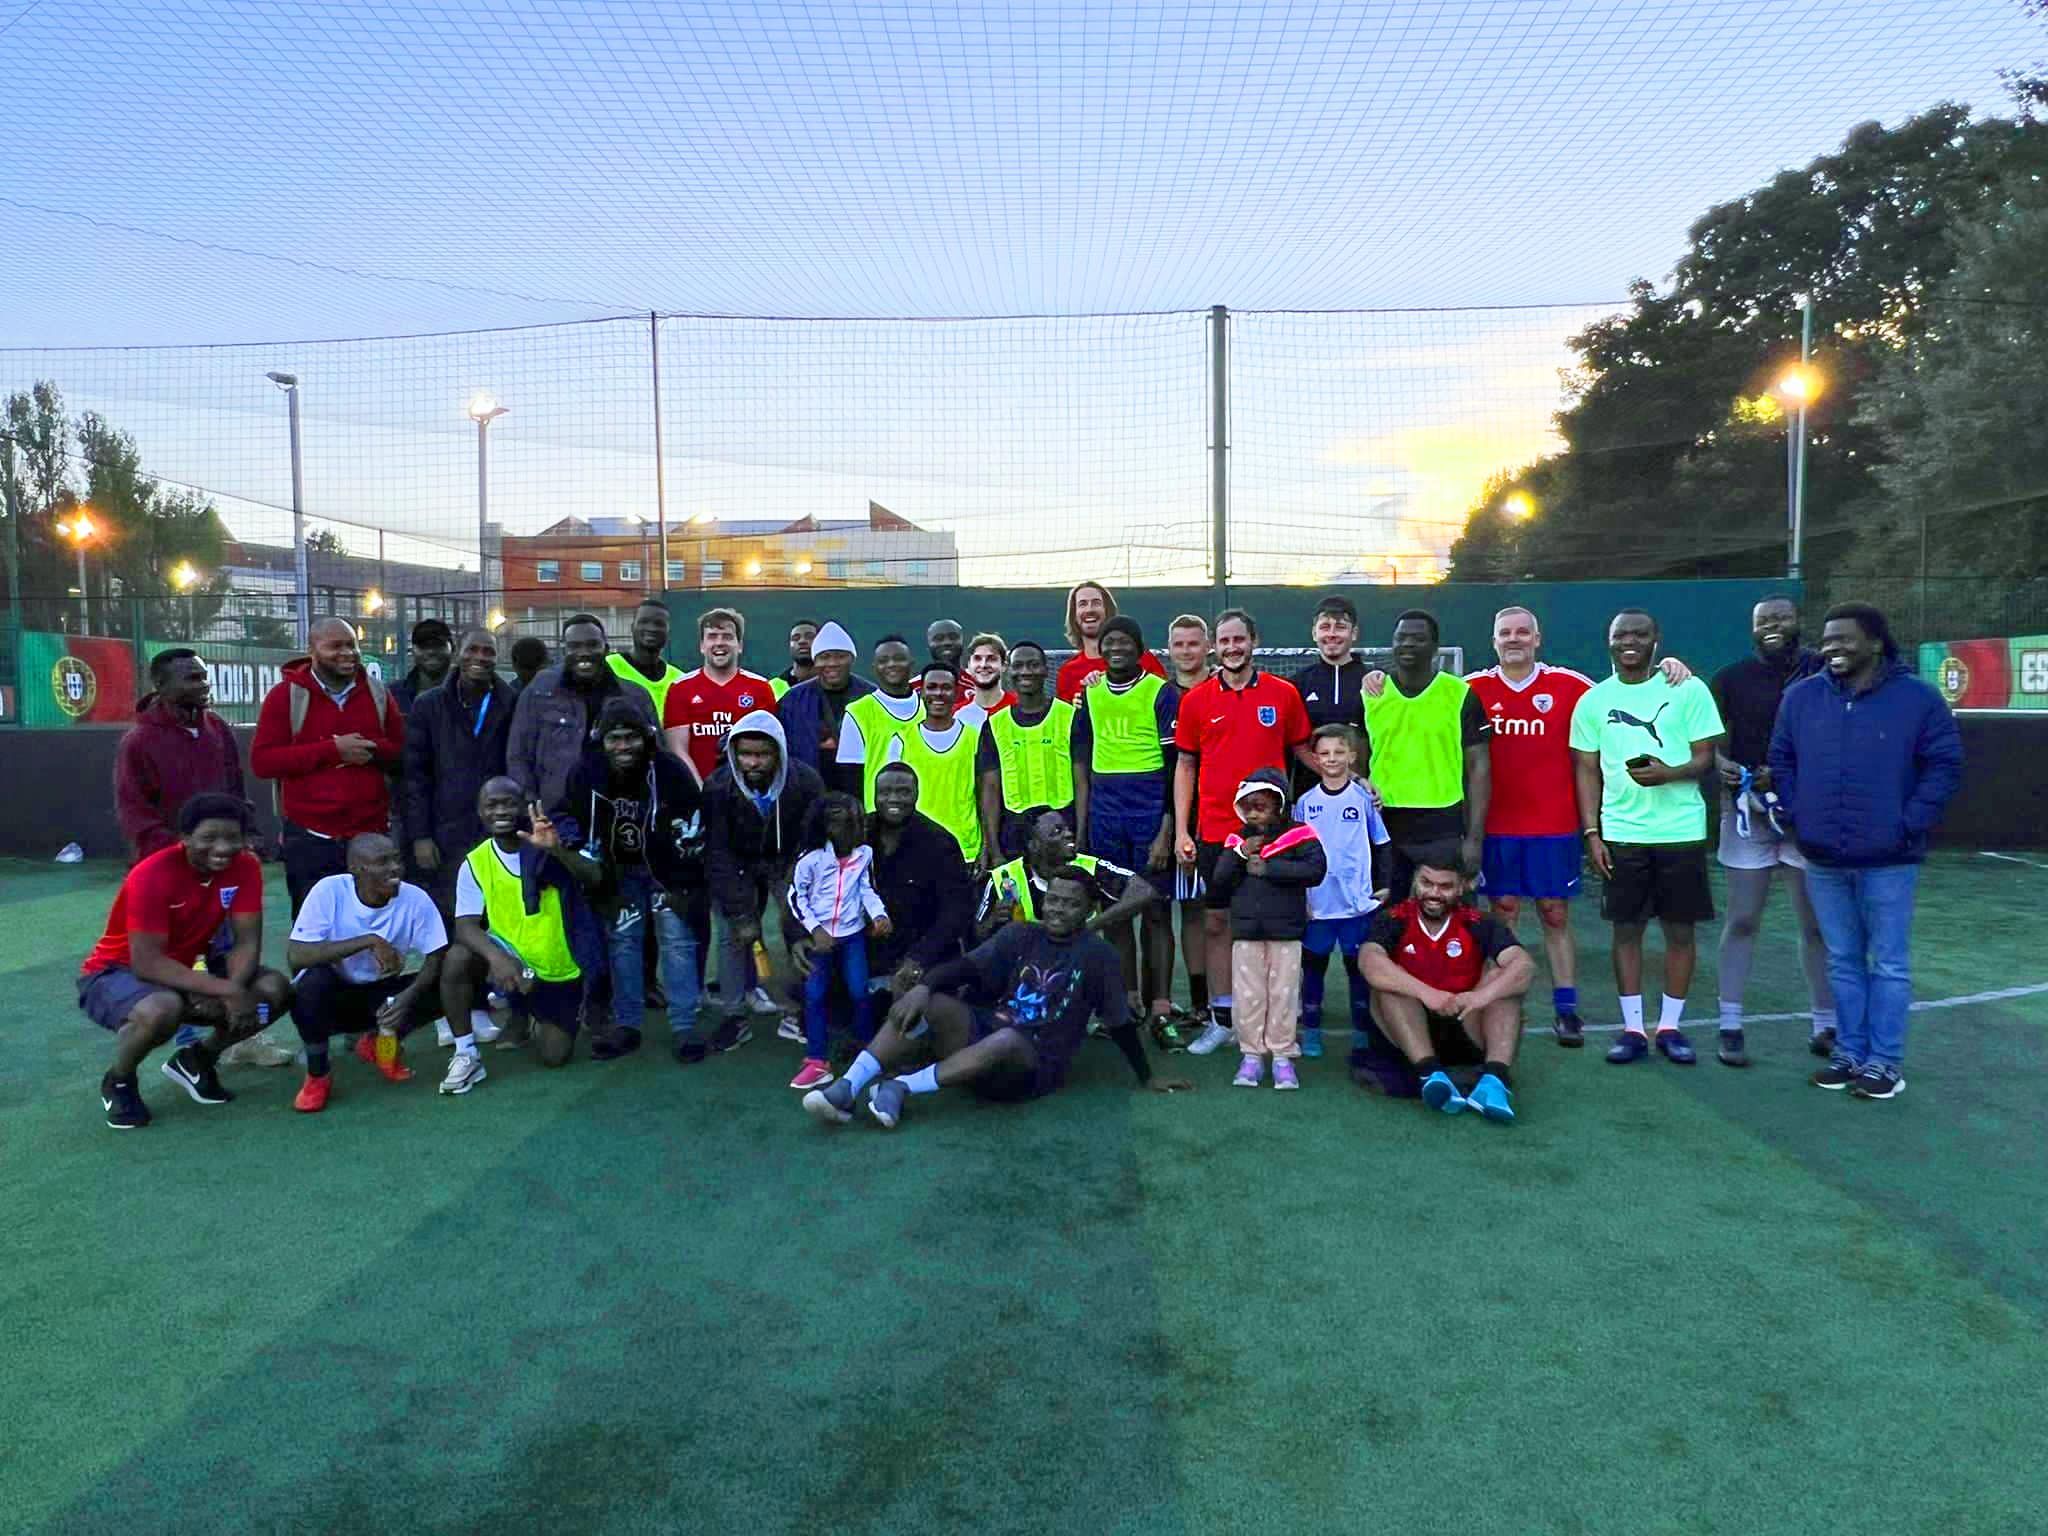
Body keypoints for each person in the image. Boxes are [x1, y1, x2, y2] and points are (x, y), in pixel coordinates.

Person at [1433, 605, 1693, 1047]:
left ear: (1538, 639)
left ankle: (1566, 1007)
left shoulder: (1570, 686)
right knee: (1505, 915)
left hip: (1553, 825)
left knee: (1554, 914)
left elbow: (1625, 693)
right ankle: (1505, 1002)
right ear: (1494, 641)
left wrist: (1668, 669)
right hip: (1495, 827)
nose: (1513, 639)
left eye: (1522, 632)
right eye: (1504, 633)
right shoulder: (1468, 689)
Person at [801, 864, 1193, 1129]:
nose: (1058, 909)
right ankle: (848, 1088)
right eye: (1053, 900)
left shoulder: (1099, 956)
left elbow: (1120, 1023)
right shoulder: (1022, 934)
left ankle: (903, 1086)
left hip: (1032, 1066)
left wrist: (1147, 1077)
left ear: (1090, 909)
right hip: (983, 1039)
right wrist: (923, 988)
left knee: (1006, 1040)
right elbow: (965, 968)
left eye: (1071, 903)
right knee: (933, 1003)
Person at [1771, 602, 1963, 1102]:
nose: (1833, 647)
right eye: (1827, 639)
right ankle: (1850, 1054)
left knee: (1891, 964)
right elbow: (1781, 760)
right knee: (1842, 961)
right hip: (1824, 855)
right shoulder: (1801, 697)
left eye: (1844, 639)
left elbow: (1944, 765)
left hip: (1890, 858)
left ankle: (1885, 1063)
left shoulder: (1918, 699)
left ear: (1876, 643)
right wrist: (1799, 813)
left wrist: (1909, 822)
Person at [116, 649, 296, 1070]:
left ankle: (241, 1039)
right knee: (178, 961)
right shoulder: (139, 741)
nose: (203, 685)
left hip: (224, 869)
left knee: (234, 950)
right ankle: (178, 1038)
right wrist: (182, 858)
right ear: (160, 687)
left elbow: (235, 792)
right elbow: (134, 813)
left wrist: (246, 836)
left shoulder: (217, 728)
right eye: (192, 679)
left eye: (204, 676)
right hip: (174, 876)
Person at [77, 794, 294, 1130]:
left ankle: (197, 1061)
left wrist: (232, 991)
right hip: (116, 971)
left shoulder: (246, 866)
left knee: (274, 990)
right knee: (162, 1010)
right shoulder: (150, 874)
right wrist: (223, 989)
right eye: (208, 838)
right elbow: (147, 963)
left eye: (232, 838)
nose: (222, 847)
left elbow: (247, 941)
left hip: (190, 966)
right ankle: (119, 1080)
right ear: (184, 839)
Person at [1571, 608, 1725, 1067]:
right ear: (1610, 642)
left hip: (1681, 833)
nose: (1629, 642)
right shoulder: (1594, 701)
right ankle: (1633, 1029)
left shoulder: (1688, 688)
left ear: (1656, 639)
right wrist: (1592, 831)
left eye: (1639, 633)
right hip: (1622, 835)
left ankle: (1671, 1026)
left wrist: (1668, 774)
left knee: (1679, 932)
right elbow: (1585, 769)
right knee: (1627, 931)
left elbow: (1704, 758)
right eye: (1620, 635)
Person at [1172, 608, 1311, 1056]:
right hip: (1216, 832)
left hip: (1273, 835)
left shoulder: (1283, 695)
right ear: (1215, 645)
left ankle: (1276, 1020)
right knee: (1216, 922)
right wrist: (1182, 831)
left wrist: (1353, 779)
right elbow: (1186, 765)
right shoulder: (1195, 701)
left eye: (1240, 640)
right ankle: (1222, 1017)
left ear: (1254, 641)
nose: (1232, 648)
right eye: (1224, 641)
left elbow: (1303, 753)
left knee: (1275, 926)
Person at [1709, 595, 1834, 1067]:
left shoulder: (1824, 671)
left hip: (1805, 813)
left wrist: (1784, 775)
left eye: (1780, 617)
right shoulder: (1730, 678)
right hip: (1747, 811)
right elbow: (1713, 742)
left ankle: (1826, 1025)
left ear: (1798, 620)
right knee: (1742, 920)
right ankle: (1730, 1025)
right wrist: (1724, 767)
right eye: (1763, 621)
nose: (1772, 626)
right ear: (1752, 628)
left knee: (1815, 925)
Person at [558, 698, 709, 1063]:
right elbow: (565, 812)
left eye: (631, 737)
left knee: (677, 942)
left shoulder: (670, 770)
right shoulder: (586, 772)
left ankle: (685, 1026)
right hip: (617, 872)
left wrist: (683, 880)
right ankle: (628, 1025)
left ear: (647, 737)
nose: (623, 746)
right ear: (602, 740)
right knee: (623, 943)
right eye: (614, 738)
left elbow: (693, 823)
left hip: (667, 872)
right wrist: (573, 842)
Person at [438, 778, 598, 1082]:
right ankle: (466, 1052)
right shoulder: (475, 861)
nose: (500, 811)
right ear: (480, 812)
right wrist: (496, 957)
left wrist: (558, 851)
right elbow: (465, 926)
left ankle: (530, 1013)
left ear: (524, 806)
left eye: (508, 803)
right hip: (509, 958)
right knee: (458, 957)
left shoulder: (550, 837)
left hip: (558, 967)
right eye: (492, 804)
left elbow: (595, 877)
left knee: (554, 1056)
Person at [1358, 853, 1535, 1122]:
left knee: (1504, 980)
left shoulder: (1479, 922)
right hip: (1409, 1028)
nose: (1434, 893)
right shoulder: (1393, 918)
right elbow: (1369, 961)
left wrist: (1480, 997)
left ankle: (1494, 1083)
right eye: (1426, 883)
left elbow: (1524, 966)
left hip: (1466, 1021)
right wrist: (1427, 994)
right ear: (1415, 881)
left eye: (1445, 886)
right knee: (1390, 983)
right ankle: (1430, 1073)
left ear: (1461, 887)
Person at [285, 833, 451, 1112]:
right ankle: (318, 1074)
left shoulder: (415, 898)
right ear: (356, 869)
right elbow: (297, 955)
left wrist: (408, 997)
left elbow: (436, 957)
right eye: (382, 862)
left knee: (450, 979)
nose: (395, 869)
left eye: (397, 860)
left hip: (383, 994)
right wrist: (369, 940)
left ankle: (380, 1042)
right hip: (337, 995)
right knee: (308, 985)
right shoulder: (329, 891)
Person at [252, 617, 406, 915]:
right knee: (314, 928)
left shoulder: (377, 693)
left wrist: (371, 750)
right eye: (335, 646)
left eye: (352, 645)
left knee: (374, 921)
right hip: (311, 839)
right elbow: (263, 761)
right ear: (312, 650)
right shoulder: (286, 696)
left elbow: (401, 752)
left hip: (369, 836)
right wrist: (333, 750)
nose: (347, 653)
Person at [1071, 616, 1179, 1024]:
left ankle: (1162, 1004)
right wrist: (1084, 828)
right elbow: (1081, 756)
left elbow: (1175, 765)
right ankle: (1127, 998)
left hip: (1149, 809)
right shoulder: (1091, 692)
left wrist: (1166, 828)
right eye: (1109, 642)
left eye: (1125, 642)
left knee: (1154, 908)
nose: (1116, 648)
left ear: (1140, 647)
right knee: (1116, 910)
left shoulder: (1160, 692)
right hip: (1106, 812)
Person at [705, 710, 825, 1054]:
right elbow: (718, 853)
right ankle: (734, 1017)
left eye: (763, 755)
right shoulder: (718, 786)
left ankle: (801, 1010)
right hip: (738, 863)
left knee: (801, 932)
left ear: (779, 753)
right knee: (732, 936)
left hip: (789, 861)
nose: (753, 763)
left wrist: (795, 887)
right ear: (734, 754)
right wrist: (742, 914)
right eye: (745, 754)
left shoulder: (805, 782)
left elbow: (813, 842)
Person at [1204, 768, 1326, 1090]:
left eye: (1261, 806)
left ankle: (1283, 1058)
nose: (1254, 813)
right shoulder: (1236, 841)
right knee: (1248, 994)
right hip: (1246, 933)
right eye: (1248, 806)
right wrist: (1242, 853)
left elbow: (1315, 870)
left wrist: (1270, 868)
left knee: (1283, 994)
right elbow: (1219, 879)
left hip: (1285, 932)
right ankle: (1252, 1058)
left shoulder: (1300, 834)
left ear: (1279, 805)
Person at [1362, 610, 1491, 892]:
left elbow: (1478, 766)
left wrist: (1474, 840)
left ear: (1434, 647)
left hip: (1442, 823)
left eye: (1418, 638)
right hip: (1385, 821)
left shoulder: (1459, 694)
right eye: (1401, 638)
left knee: (1447, 912)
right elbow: (1355, 755)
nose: (1408, 644)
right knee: (1387, 916)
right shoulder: (1372, 693)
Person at [1294, 724, 1392, 1063]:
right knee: (1314, 971)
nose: (1332, 759)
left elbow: (1382, 844)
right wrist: (1300, 898)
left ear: (1351, 756)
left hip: (1356, 905)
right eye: (1325, 753)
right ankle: (1312, 1031)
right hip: (1318, 906)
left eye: (1339, 752)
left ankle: (1363, 1033)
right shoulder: (1305, 803)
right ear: (1315, 759)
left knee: (1358, 970)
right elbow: (1295, 851)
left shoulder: (1364, 798)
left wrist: (1385, 884)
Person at [401, 627, 515, 919]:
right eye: (472, 650)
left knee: (499, 916)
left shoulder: (512, 702)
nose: (480, 657)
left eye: (488, 651)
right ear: (458, 655)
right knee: (454, 918)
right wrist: (421, 836)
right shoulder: (428, 705)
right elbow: (415, 776)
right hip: (446, 833)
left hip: (498, 830)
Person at [850, 760, 975, 1013]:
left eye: (903, 792)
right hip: (866, 946)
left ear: (917, 794)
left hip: (921, 948)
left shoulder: (940, 843)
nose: (893, 799)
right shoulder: (856, 834)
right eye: (885, 792)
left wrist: (918, 958)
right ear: (874, 795)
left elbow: (956, 911)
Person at [788, 793, 893, 1091]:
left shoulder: (865, 854)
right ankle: (816, 1060)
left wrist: (878, 914)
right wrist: (815, 930)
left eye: (860, 821)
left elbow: (866, 889)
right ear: (829, 827)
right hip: (821, 941)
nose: (860, 828)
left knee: (860, 991)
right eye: (851, 823)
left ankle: (868, 1052)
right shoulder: (810, 859)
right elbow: (796, 897)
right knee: (815, 995)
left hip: (852, 936)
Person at [507, 614, 657, 818]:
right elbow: (518, 754)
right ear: (564, 651)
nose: (584, 653)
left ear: (606, 648)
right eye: (575, 646)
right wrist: (532, 806)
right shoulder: (539, 691)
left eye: (592, 645)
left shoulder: (634, 696)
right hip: (555, 818)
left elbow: (657, 755)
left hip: (620, 817)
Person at [978, 809, 1157, 943]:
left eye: (1066, 828)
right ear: (1034, 845)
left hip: (1077, 961)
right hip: (1025, 966)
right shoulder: (1003, 877)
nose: (1069, 834)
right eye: (1057, 832)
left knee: (1118, 923)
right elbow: (978, 932)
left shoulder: (1088, 866)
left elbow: (1144, 890)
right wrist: (993, 919)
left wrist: (1091, 926)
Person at [879, 662, 987, 868]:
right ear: (922, 692)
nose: (939, 693)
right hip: (915, 848)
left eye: (946, 688)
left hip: (965, 851)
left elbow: (985, 797)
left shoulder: (976, 738)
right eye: (932, 687)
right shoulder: (901, 740)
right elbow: (891, 801)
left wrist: (986, 847)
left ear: (956, 693)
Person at [1164, 613, 1216, 1030]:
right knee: (1194, 911)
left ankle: (1232, 1000)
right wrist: (1173, 827)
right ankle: (1201, 1001)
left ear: (1208, 646)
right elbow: (1169, 766)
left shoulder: (1224, 690)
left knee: (1230, 913)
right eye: (1179, 644)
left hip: (1225, 821)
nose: (1186, 651)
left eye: (1193, 643)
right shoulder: (1162, 696)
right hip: (1184, 822)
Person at [977, 639, 1074, 860]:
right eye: (1018, 666)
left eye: (1033, 665)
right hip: (1014, 834)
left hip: (1065, 827)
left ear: (1046, 670)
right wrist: (993, 848)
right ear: (1008, 671)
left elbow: (1083, 782)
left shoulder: (1069, 716)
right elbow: (990, 790)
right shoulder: (994, 724)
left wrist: (1083, 837)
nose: (1025, 672)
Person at [662, 607, 776, 786]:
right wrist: (702, 792)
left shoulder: (761, 688)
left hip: (747, 795)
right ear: (701, 645)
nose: (719, 643)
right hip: (697, 795)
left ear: (739, 645)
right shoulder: (680, 688)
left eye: (727, 637)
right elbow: (677, 750)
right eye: (712, 636)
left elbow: (767, 748)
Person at [779, 621, 873, 796]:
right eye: (825, 657)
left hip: (860, 787)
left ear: (852, 658)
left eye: (840, 656)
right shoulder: (792, 700)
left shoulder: (871, 696)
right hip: (807, 791)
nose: (832, 663)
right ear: (815, 661)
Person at [1287, 595, 1366, 790]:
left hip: (1363, 792)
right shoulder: (1297, 683)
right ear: (1314, 633)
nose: (1331, 634)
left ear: (1354, 633)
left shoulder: (1373, 681)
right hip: (1309, 793)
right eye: (1324, 627)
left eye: (1340, 627)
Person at [836, 634, 924, 807]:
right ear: (875, 668)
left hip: (926, 815)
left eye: (899, 658)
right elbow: (849, 778)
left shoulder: (929, 708)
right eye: (884, 660)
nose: (891, 664)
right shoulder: (858, 712)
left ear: (912, 665)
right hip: (878, 820)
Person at [1056, 579, 1167, 701]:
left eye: (1096, 603)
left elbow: (1165, 700)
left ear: (1107, 611)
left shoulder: (1142, 658)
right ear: (1074, 615)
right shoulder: (1067, 673)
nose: (1089, 610)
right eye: (1082, 604)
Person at [609, 599, 687, 720]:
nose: (651, 628)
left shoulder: (679, 680)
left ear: (668, 631)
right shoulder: (608, 667)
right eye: (644, 622)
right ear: (632, 627)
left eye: (659, 624)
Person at [388, 617, 455, 715]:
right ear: (412, 651)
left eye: (438, 645)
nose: (431, 651)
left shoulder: (469, 694)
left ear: (452, 648)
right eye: (423, 646)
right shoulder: (393, 695)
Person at [963, 632, 1017, 716]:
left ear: (1004, 666)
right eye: (977, 658)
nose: (983, 665)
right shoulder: (956, 713)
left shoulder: (1019, 707)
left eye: (991, 659)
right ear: (969, 666)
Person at [772, 618, 820, 701]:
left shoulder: (834, 683)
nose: (802, 641)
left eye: (809, 637)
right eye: (796, 638)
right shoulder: (772, 687)